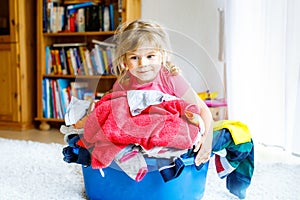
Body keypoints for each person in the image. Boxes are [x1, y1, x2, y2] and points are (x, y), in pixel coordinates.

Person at [111, 19, 213, 167]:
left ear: (162, 56)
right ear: (125, 61)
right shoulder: (123, 83)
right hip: (140, 140)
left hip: (170, 136)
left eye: (150, 56)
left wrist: (206, 140)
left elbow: (203, 109)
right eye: (134, 57)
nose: (143, 64)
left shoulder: (171, 78)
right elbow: (113, 113)